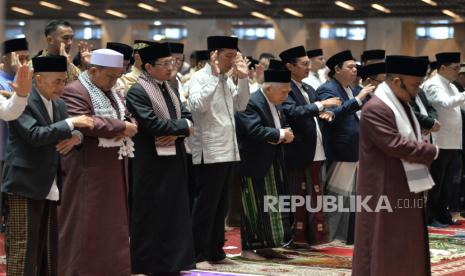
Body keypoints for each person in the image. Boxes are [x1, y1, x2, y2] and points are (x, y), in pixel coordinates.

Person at [2, 55, 94, 276]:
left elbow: (73, 131)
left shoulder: (59, 103)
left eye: (64, 81)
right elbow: (35, 135)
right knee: (24, 248)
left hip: (50, 182)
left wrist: (76, 137)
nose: (62, 86)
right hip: (23, 184)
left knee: (48, 248)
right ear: (39, 80)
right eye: (57, 81)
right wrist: (72, 123)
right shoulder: (23, 101)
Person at [352, 55, 437, 276]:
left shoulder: (402, 104)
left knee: (406, 242)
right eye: (416, 85)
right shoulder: (376, 108)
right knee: (384, 243)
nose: (418, 90)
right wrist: (432, 151)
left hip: (403, 185)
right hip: (383, 188)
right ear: (397, 81)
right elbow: (394, 145)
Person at [58, 49, 137, 276]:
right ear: (93, 70)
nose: (114, 82)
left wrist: (127, 123)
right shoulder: (74, 91)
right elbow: (85, 122)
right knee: (86, 226)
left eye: (117, 76)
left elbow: (126, 114)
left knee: (112, 227)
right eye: (110, 76)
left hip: (113, 168)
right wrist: (121, 127)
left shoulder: (112, 90)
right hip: (87, 171)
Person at [126, 42, 195, 274]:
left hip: (174, 157)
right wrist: (181, 127)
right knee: (151, 212)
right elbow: (151, 124)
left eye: (172, 62)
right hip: (150, 162)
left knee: (175, 211)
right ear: (148, 66)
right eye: (164, 64)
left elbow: (186, 116)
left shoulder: (170, 86)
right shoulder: (137, 90)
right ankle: (149, 263)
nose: (170, 67)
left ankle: (174, 261)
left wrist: (177, 130)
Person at [189, 36, 249, 269]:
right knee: (206, 205)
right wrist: (214, 77)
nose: (232, 60)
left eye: (235, 56)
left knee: (221, 206)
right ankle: (198, 254)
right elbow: (196, 106)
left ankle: (215, 251)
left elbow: (241, 105)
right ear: (214, 55)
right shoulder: (199, 78)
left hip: (229, 150)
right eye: (228, 56)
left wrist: (243, 80)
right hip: (209, 151)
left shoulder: (227, 79)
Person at [279, 46, 340, 247]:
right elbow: (292, 112)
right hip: (298, 150)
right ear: (289, 66)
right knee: (298, 196)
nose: (309, 67)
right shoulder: (284, 87)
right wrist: (321, 106)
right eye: (304, 64)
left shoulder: (308, 88)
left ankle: (316, 237)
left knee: (316, 194)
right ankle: (298, 238)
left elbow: (314, 112)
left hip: (317, 148)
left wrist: (326, 113)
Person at [235, 67, 294, 260]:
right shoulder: (251, 101)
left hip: (272, 161)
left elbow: (279, 125)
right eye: (284, 91)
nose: (287, 95)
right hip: (253, 162)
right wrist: (281, 134)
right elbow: (254, 130)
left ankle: (266, 244)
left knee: (271, 206)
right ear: (269, 88)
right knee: (253, 206)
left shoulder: (274, 101)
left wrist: (284, 132)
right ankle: (248, 248)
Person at [317, 50, 375, 244]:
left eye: (355, 66)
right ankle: (332, 236)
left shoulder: (355, 88)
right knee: (337, 197)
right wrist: (358, 100)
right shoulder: (328, 89)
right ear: (336, 69)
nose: (354, 70)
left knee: (353, 197)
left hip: (357, 149)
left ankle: (349, 236)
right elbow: (333, 113)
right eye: (350, 67)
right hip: (340, 150)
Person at [423, 52, 465, 225]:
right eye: (455, 68)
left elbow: (461, 104)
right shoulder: (433, 84)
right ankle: (432, 217)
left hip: (453, 141)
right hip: (439, 142)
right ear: (442, 68)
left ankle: (443, 214)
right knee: (437, 182)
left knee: (448, 182)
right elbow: (446, 103)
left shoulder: (452, 85)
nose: (458, 72)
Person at [0, 38, 30, 176]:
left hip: (23, 153)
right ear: (6, 59)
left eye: (26, 58)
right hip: (4, 152)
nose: (24, 63)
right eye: (20, 58)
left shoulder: (29, 78)